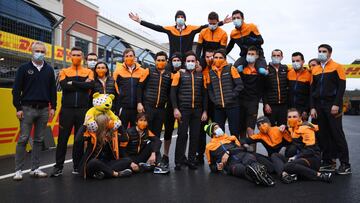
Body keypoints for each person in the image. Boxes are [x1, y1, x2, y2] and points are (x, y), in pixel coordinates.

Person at [12, 41, 57, 180]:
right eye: (37, 51)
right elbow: (16, 90)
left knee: (39, 140)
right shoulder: (23, 68)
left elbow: (52, 90)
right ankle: (18, 170)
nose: (40, 53)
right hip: (27, 109)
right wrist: (18, 107)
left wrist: (53, 106)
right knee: (23, 139)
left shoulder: (49, 69)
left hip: (44, 109)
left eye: (43, 51)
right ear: (31, 52)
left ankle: (35, 168)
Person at [51, 47, 94, 177]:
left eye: (78, 55)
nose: (76, 57)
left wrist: (73, 83)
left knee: (79, 140)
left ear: (82, 57)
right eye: (74, 54)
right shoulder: (64, 71)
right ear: (70, 56)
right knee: (62, 140)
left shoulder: (88, 71)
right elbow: (64, 86)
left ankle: (77, 166)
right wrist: (81, 84)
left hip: (82, 110)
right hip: (67, 110)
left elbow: (89, 86)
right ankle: (58, 167)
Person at [310, 44, 351, 174]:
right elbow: (312, 90)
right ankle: (328, 162)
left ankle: (345, 164)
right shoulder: (315, 69)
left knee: (337, 134)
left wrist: (336, 104)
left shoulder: (337, 67)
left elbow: (341, 87)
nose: (321, 53)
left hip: (332, 105)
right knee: (323, 135)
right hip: (319, 106)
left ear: (330, 53)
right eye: (319, 51)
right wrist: (312, 107)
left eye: (324, 51)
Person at [129, 10, 231, 56]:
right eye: (178, 17)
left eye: (182, 17)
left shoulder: (191, 29)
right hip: (174, 59)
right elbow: (156, 27)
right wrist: (140, 21)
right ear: (175, 19)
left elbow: (208, 26)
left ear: (185, 19)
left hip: (187, 59)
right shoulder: (170, 29)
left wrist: (221, 22)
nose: (180, 18)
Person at [271, 108, 332, 184]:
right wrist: (283, 127)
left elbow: (311, 150)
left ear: (300, 118)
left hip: (312, 158)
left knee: (287, 166)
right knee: (274, 155)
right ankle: (284, 175)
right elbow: (288, 130)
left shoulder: (306, 128)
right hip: (300, 158)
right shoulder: (292, 128)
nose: (292, 119)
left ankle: (320, 175)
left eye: (294, 117)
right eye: (289, 117)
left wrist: (295, 157)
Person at [204, 122, 275, 187]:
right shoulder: (209, 147)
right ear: (212, 133)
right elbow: (211, 165)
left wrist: (228, 152)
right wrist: (217, 167)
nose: (219, 129)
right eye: (216, 128)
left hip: (242, 155)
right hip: (230, 164)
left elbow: (240, 148)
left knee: (251, 162)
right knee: (244, 170)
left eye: (219, 127)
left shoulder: (231, 138)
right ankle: (259, 178)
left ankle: (263, 175)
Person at [171, 51, 208, 170]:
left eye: (193, 61)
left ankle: (192, 160)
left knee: (195, 136)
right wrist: (175, 108)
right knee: (182, 135)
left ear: (196, 62)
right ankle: (178, 161)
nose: (191, 63)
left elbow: (205, 95)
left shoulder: (202, 76)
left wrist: (205, 111)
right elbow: (173, 93)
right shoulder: (179, 74)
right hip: (183, 110)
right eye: (188, 61)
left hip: (197, 111)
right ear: (185, 63)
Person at [137, 51, 172, 168]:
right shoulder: (148, 71)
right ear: (155, 61)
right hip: (148, 107)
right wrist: (139, 103)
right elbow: (139, 87)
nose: (161, 62)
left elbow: (171, 92)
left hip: (161, 109)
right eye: (158, 60)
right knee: (145, 133)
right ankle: (142, 157)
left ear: (166, 61)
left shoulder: (169, 75)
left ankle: (156, 157)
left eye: (163, 60)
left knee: (156, 135)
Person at [79, 114, 132, 180]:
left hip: (107, 164)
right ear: (102, 124)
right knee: (94, 162)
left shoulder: (111, 134)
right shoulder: (92, 135)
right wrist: (84, 124)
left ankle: (102, 173)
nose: (111, 122)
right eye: (108, 121)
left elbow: (125, 139)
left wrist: (119, 124)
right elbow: (77, 140)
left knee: (128, 160)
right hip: (93, 165)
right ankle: (116, 174)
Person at [205, 49, 244, 137]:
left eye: (220, 57)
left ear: (225, 59)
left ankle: (235, 149)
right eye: (216, 57)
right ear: (213, 59)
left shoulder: (231, 68)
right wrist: (214, 100)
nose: (218, 59)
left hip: (233, 106)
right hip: (218, 107)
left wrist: (232, 96)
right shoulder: (210, 72)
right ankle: (222, 150)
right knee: (219, 133)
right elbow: (209, 89)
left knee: (234, 131)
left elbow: (240, 85)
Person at [238, 46, 267, 139]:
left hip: (253, 102)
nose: (250, 56)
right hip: (241, 101)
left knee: (250, 128)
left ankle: (252, 150)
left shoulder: (260, 70)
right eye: (249, 54)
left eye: (252, 54)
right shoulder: (242, 68)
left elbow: (264, 87)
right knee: (241, 127)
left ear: (257, 56)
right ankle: (242, 149)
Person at [113, 48, 145, 128]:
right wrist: (118, 107)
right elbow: (114, 88)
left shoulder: (142, 71)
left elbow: (144, 89)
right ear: (124, 58)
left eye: (131, 55)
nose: (129, 58)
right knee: (122, 132)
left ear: (135, 57)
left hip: (137, 108)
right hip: (123, 108)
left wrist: (140, 103)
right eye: (126, 56)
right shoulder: (118, 70)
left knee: (135, 132)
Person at [161, 52, 183, 166]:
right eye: (174, 60)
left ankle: (181, 155)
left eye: (178, 60)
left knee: (182, 132)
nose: (176, 62)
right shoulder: (167, 73)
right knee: (168, 131)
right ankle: (165, 155)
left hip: (182, 106)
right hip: (169, 106)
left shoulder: (186, 73)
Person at [196, 50, 215, 164]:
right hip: (203, 103)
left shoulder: (218, 67)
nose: (210, 59)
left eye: (212, 57)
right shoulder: (201, 69)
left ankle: (215, 155)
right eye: (207, 57)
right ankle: (200, 155)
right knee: (201, 131)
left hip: (215, 104)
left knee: (216, 131)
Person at [263, 49, 288, 126]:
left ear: (282, 57)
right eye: (274, 55)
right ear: (271, 57)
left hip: (283, 105)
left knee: (283, 128)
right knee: (271, 129)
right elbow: (262, 89)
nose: (276, 57)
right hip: (270, 105)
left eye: (278, 55)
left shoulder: (285, 68)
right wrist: (266, 104)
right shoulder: (266, 69)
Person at [287, 52, 312, 121]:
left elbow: (310, 94)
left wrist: (306, 110)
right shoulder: (288, 73)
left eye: (297, 61)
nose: (295, 63)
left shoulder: (309, 74)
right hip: (290, 109)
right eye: (293, 61)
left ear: (303, 61)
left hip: (303, 110)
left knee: (302, 130)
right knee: (290, 130)